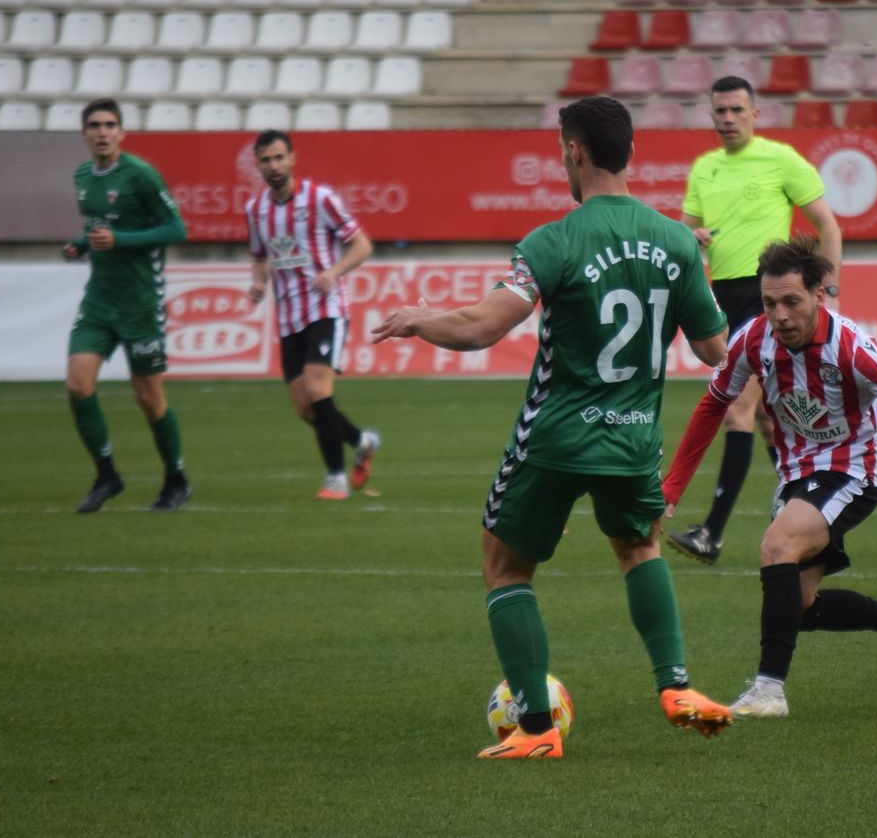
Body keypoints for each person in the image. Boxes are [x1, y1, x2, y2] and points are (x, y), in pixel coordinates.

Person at [371, 96, 735, 759]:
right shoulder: (677, 240)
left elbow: (484, 325)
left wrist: (421, 316)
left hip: (558, 435)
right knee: (640, 548)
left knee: (504, 566)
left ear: (575, 151)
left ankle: (537, 727)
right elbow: (716, 351)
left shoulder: (554, 240)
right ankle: (675, 686)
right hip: (634, 440)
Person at [662, 236, 877, 719]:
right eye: (770, 303)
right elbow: (713, 403)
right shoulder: (754, 340)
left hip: (852, 470)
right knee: (797, 603)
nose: (779, 315)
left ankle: (768, 690)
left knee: (777, 545)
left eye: (791, 302)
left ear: (820, 295)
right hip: (795, 473)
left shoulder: (853, 347)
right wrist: (672, 487)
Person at [667, 76, 843, 566]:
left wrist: (827, 291)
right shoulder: (704, 168)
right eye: (719, 111)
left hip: (766, 299)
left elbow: (828, 224)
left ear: (754, 114)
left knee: (736, 410)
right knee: (767, 420)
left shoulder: (781, 159)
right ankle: (806, 510)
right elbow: (684, 233)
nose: (727, 119)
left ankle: (711, 533)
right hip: (723, 297)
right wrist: (692, 236)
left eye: (735, 110)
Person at [63, 98, 192, 514]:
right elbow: (100, 227)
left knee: (149, 397)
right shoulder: (82, 176)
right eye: (95, 125)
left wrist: (122, 242)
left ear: (122, 133)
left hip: (140, 303)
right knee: (78, 385)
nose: (102, 132)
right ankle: (107, 475)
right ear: (84, 133)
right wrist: (81, 244)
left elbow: (177, 228)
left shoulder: (140, 175)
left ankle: (176, 478)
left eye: (110, 125)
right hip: (100, 300)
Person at [245, 129, 381, 501]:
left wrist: (334, 272)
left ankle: (335, 477)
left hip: (325, 308)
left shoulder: (320, 200)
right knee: (306, 407)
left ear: (292, 159)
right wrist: (258, 283)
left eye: (278, 158)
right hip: (288, 316)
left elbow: (362, 244)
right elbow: (259, 256)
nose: (272, 166)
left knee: (319, 389)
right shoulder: (255, 210)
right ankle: (362, 440)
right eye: (265, 160)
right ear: (257, 165)